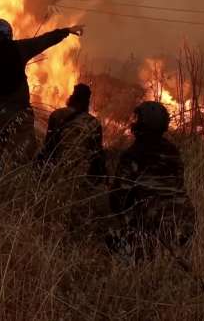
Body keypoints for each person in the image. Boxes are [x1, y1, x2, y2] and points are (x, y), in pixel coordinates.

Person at [0, 18, 84, 175]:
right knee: (23, 161)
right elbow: (43, 41)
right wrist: (66, 31)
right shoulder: (19, 48)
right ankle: (20, 192)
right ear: (9, 33)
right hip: (19, 116)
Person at [108, 101, 195, 258]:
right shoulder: (173, 152)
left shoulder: (132, 155)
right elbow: (178, 184)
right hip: (184, 223)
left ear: (141, 125)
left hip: (151, 227)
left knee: (112, 240)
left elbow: (118, 198)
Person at [36, 83, 108, 236]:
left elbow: (49, 146)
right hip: (80, 175)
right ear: (87, 101)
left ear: (72, 97)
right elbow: (97, 155)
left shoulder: (57, 115)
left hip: (56, 171)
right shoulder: (93, 123)